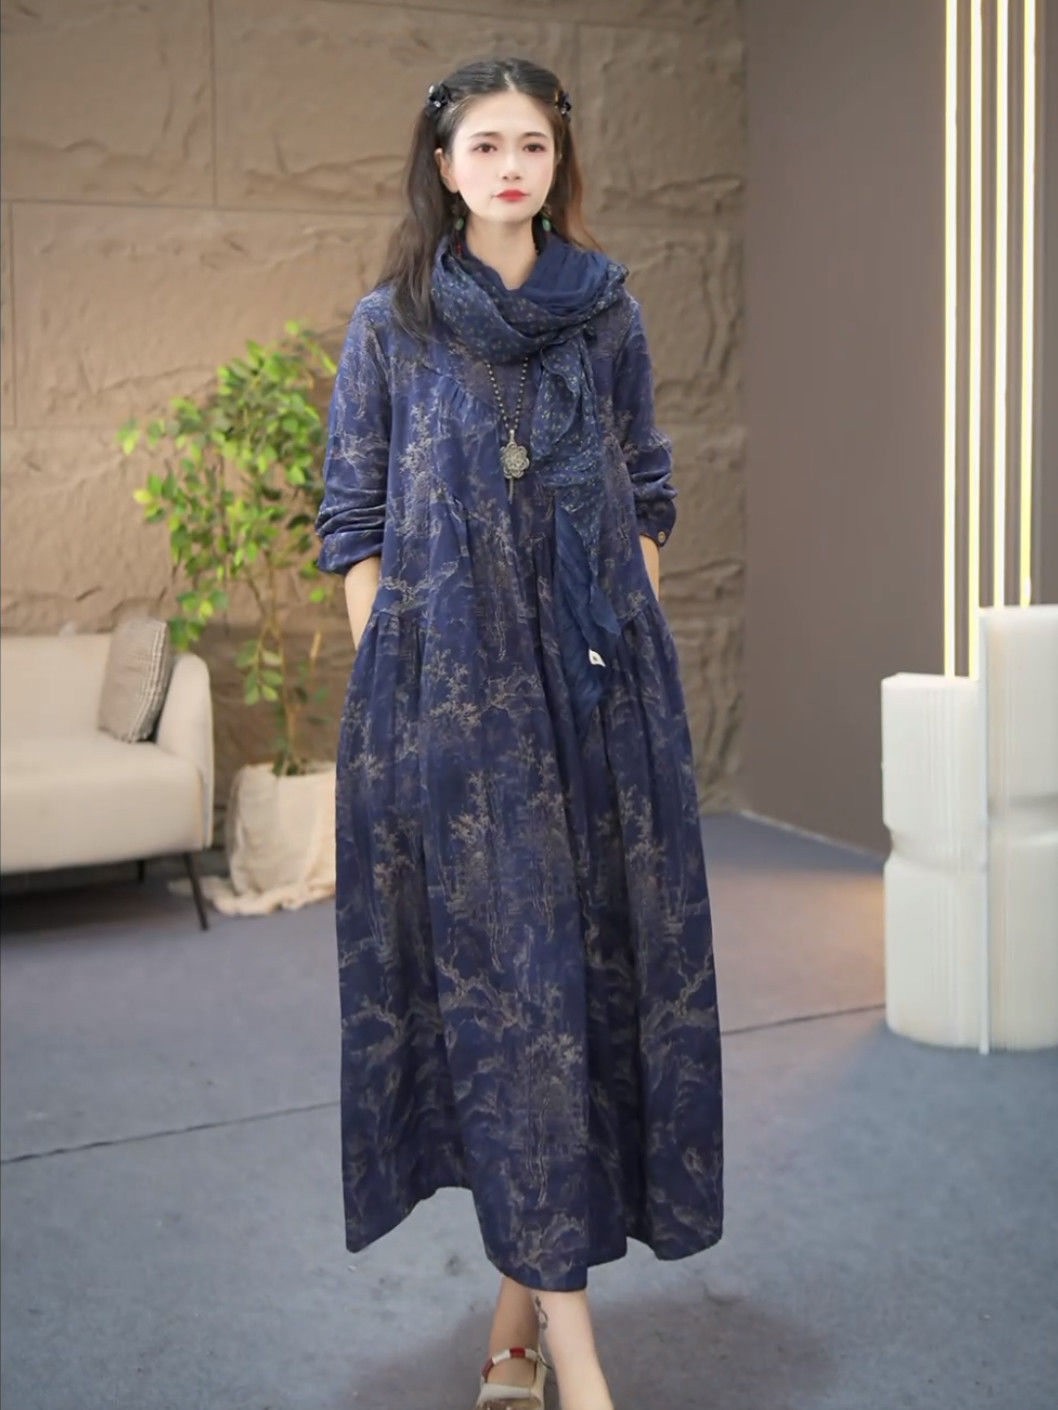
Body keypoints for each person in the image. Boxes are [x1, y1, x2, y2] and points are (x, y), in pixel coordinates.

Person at [313, 55, 723, 1410]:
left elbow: (647, 488)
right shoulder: (392, 326)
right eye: (483, 145)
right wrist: (399, 673)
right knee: (512, 1008)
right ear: (442, 168)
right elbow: (352, 519)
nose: (508, 166)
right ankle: (581, 1367)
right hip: (452, 724)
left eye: (530, 145)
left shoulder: (607, 315)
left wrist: (622, 639)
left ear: (558, 164)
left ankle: (513, 1333)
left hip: (601, 709)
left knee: (578, 1003)